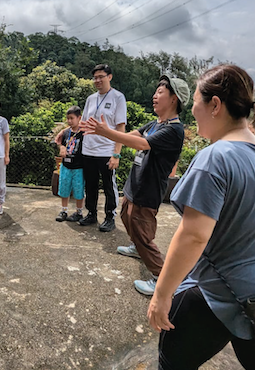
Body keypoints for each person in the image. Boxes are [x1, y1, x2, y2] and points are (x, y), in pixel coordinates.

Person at [147, 65, 255, 370]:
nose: (192, 109)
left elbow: (194, 235)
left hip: (215, 294)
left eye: (195, 101)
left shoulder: (215, 157)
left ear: (215, 105)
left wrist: (162, 294)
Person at [82, 75, 189, 295]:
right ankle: (137, 247)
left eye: (160, 92)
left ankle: (160, 277)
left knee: (141, 228)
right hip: (136, 183)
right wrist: (108, 135)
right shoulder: (156, 123)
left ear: (174, 99)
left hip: (149, 188)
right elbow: (132, 135)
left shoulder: (174, 130)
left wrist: (106, 132)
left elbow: (142, 143)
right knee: (126, 215)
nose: (154, 96)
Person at [77, 64, 127, 232]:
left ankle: (110, 216)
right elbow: (82, 123)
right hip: (88, 150)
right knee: (90, 184)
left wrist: (116, 154)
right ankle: (91, 213)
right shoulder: (91, 99)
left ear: (109, 77)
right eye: (95, 77)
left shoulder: (118, 98)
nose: (97, 80)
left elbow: (121, 128)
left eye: (101, 77)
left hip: (106, 151)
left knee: (108, 185)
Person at [55, 106, 85, 222]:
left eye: (72, 118)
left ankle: (79, 211)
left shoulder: (83, 133)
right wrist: (61, 147)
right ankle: (64, 210)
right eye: (68, 118)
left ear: (79, 118)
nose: (69, 121)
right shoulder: (66, 132)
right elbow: (61, 143)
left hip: (79, 167)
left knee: (79, 189)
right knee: (64, 188)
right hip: (66, 166)